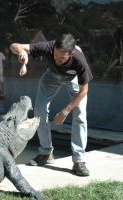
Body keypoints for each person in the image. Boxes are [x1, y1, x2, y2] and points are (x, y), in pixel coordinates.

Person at [10, 33, 93, 176]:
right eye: (55, 56)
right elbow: (14, 45)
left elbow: (84, 90)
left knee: (80, 114)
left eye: (62, 58)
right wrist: (22, 52)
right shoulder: (48, 47)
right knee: (39, 111)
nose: (57, 60)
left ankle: (79, 161)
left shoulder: (79, 60)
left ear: (71, 53)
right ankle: (46, 153)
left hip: (73, 79)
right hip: (52, 76)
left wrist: (65, 111)